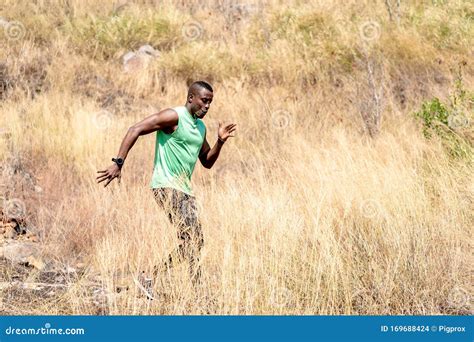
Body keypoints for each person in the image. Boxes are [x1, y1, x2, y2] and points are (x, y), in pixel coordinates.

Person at [96, 81, 236, 298]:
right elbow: (136, 128)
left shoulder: (199, 127)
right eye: (204, 100)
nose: (207, 106)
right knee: (193, 238)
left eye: (210, 102)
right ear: (191, 98)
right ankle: (196, 291)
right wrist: (118, 162)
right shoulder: (174, 117)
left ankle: (153, 278)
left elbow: (207, 162)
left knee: (195, 241)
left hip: (185, 190)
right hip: (166, 185)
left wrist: (219, 141)